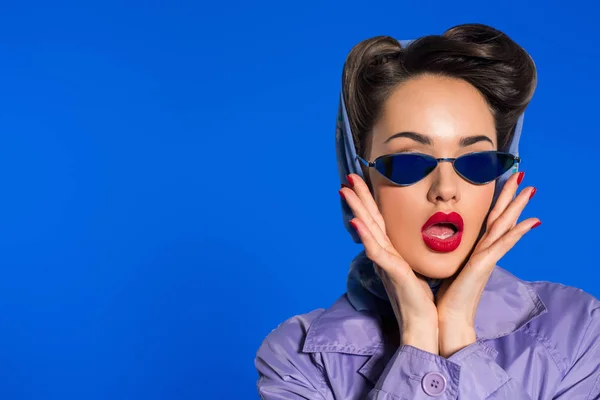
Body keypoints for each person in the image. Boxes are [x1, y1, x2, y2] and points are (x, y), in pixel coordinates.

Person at [254, 23, 600, 399]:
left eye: (477, 162)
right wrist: (418, 335)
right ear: (359, 177)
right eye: (409, 162)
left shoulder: (578, 330)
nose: (446, 189)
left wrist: (458, 334)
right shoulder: (297, 360)